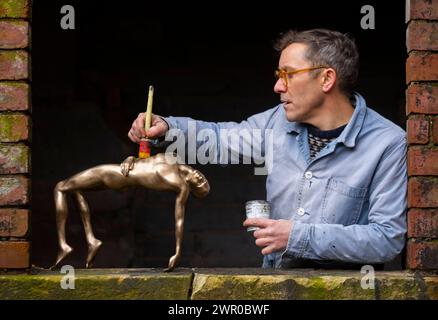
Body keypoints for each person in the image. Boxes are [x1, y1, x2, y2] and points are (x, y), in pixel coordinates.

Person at [128, 29, 407, 269]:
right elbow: (219, 138)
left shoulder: (387, 144)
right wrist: (167, 127)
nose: (277, 86)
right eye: (278, 75)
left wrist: (296, 237)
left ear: (326, 79)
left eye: (288, 75)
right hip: (277, 284)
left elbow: (386, 239)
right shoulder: (276, 122)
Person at [51, 154, 210, 271]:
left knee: (61, 187)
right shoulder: (174, 158)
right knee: (75, 189)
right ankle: (91, 240)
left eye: (200, 183)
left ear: (192, 187)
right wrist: (131, 158)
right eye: (204, 179)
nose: (201, 178)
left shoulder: (179, 184)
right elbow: (144, 160)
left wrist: (177, 252)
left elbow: (179, 219)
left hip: (115, 175)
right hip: (122, 171)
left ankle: (64, 245)